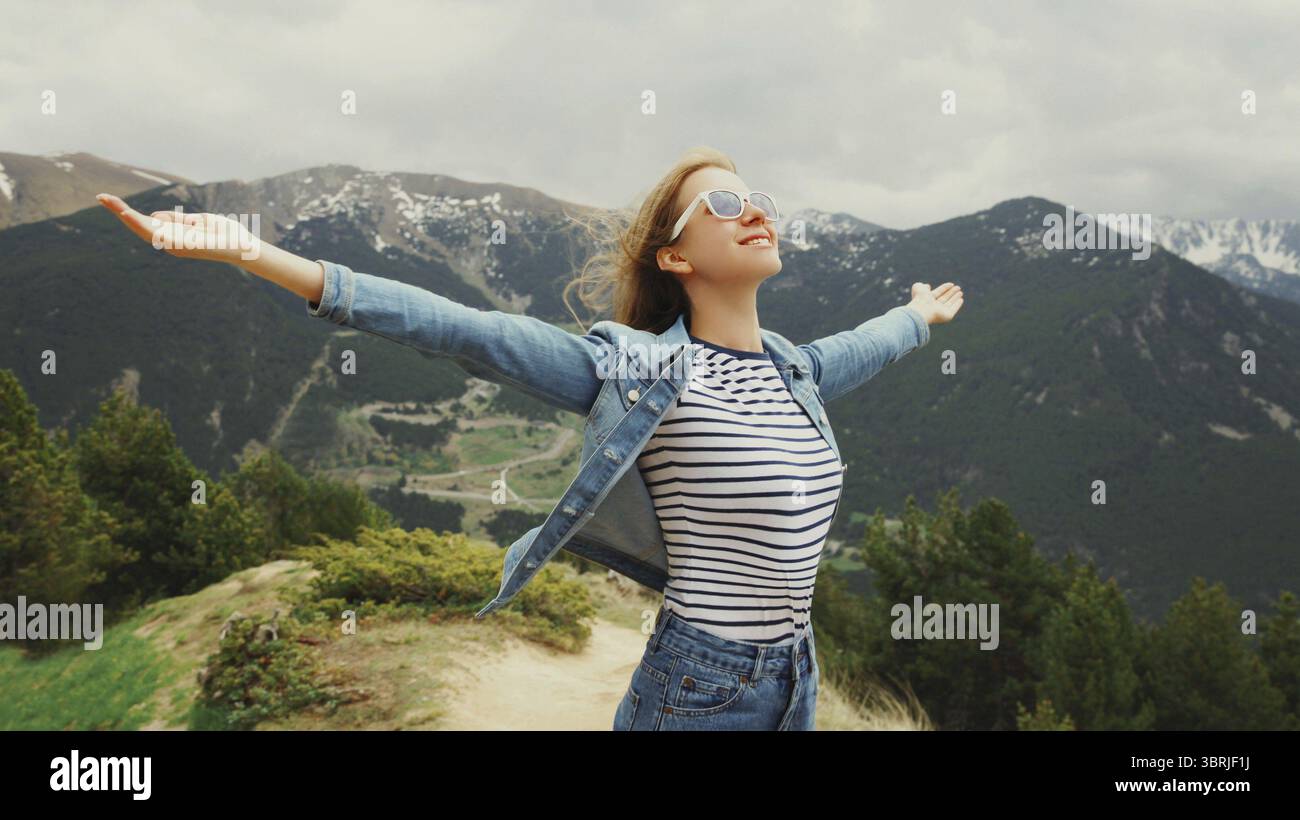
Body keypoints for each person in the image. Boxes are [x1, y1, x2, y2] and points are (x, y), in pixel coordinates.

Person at [96, 145, 962, 730]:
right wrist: (258, 254)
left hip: (796, 675)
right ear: (675, 256)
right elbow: (466, 329)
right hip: (700, 686)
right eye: (724, 202)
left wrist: (919, 315)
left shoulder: (795, 371)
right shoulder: (634, 369)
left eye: (759, 198)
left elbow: (870, 343)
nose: (753, 210)